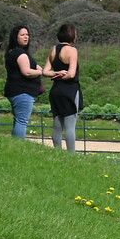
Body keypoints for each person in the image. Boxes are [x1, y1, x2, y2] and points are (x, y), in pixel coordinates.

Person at [2, 24, 47, 139]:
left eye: (27, 34)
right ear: (15, 37)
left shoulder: (13, 52)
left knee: (18, 120)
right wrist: (39, 72)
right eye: (22, 35)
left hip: (15, 91)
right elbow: (26, 72)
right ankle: (19, 147)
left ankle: (14, 146)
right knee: (22, 121)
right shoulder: (20, 54)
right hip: (23, 92)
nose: (26, 37)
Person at [46, 24, 82, 153]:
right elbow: (71, 74)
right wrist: (64, 74)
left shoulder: (53, 50)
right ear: (72, 35)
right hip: (69, 91)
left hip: (55, 91)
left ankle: (57, 154)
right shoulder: (72, 50)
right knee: (70, 126)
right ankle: (71, 156)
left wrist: (56, 74)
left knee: (57, 126)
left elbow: (45, 71)